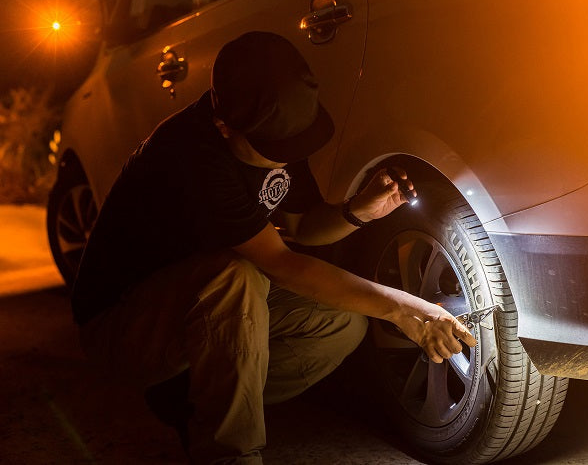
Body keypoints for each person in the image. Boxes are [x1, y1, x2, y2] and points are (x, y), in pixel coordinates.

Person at [71, 31, 476, 464]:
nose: (286, 158)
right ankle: (230, 455)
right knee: (237, 277)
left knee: (342, 323)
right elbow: (283, 264)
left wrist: (359, 210)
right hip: (122, 326)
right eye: (275, 151)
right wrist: (404, 309)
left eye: (294, 146)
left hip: (195, 310)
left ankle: (191, 400)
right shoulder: (191, 157)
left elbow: (303, 228)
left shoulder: (279, 129)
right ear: (225, 126)